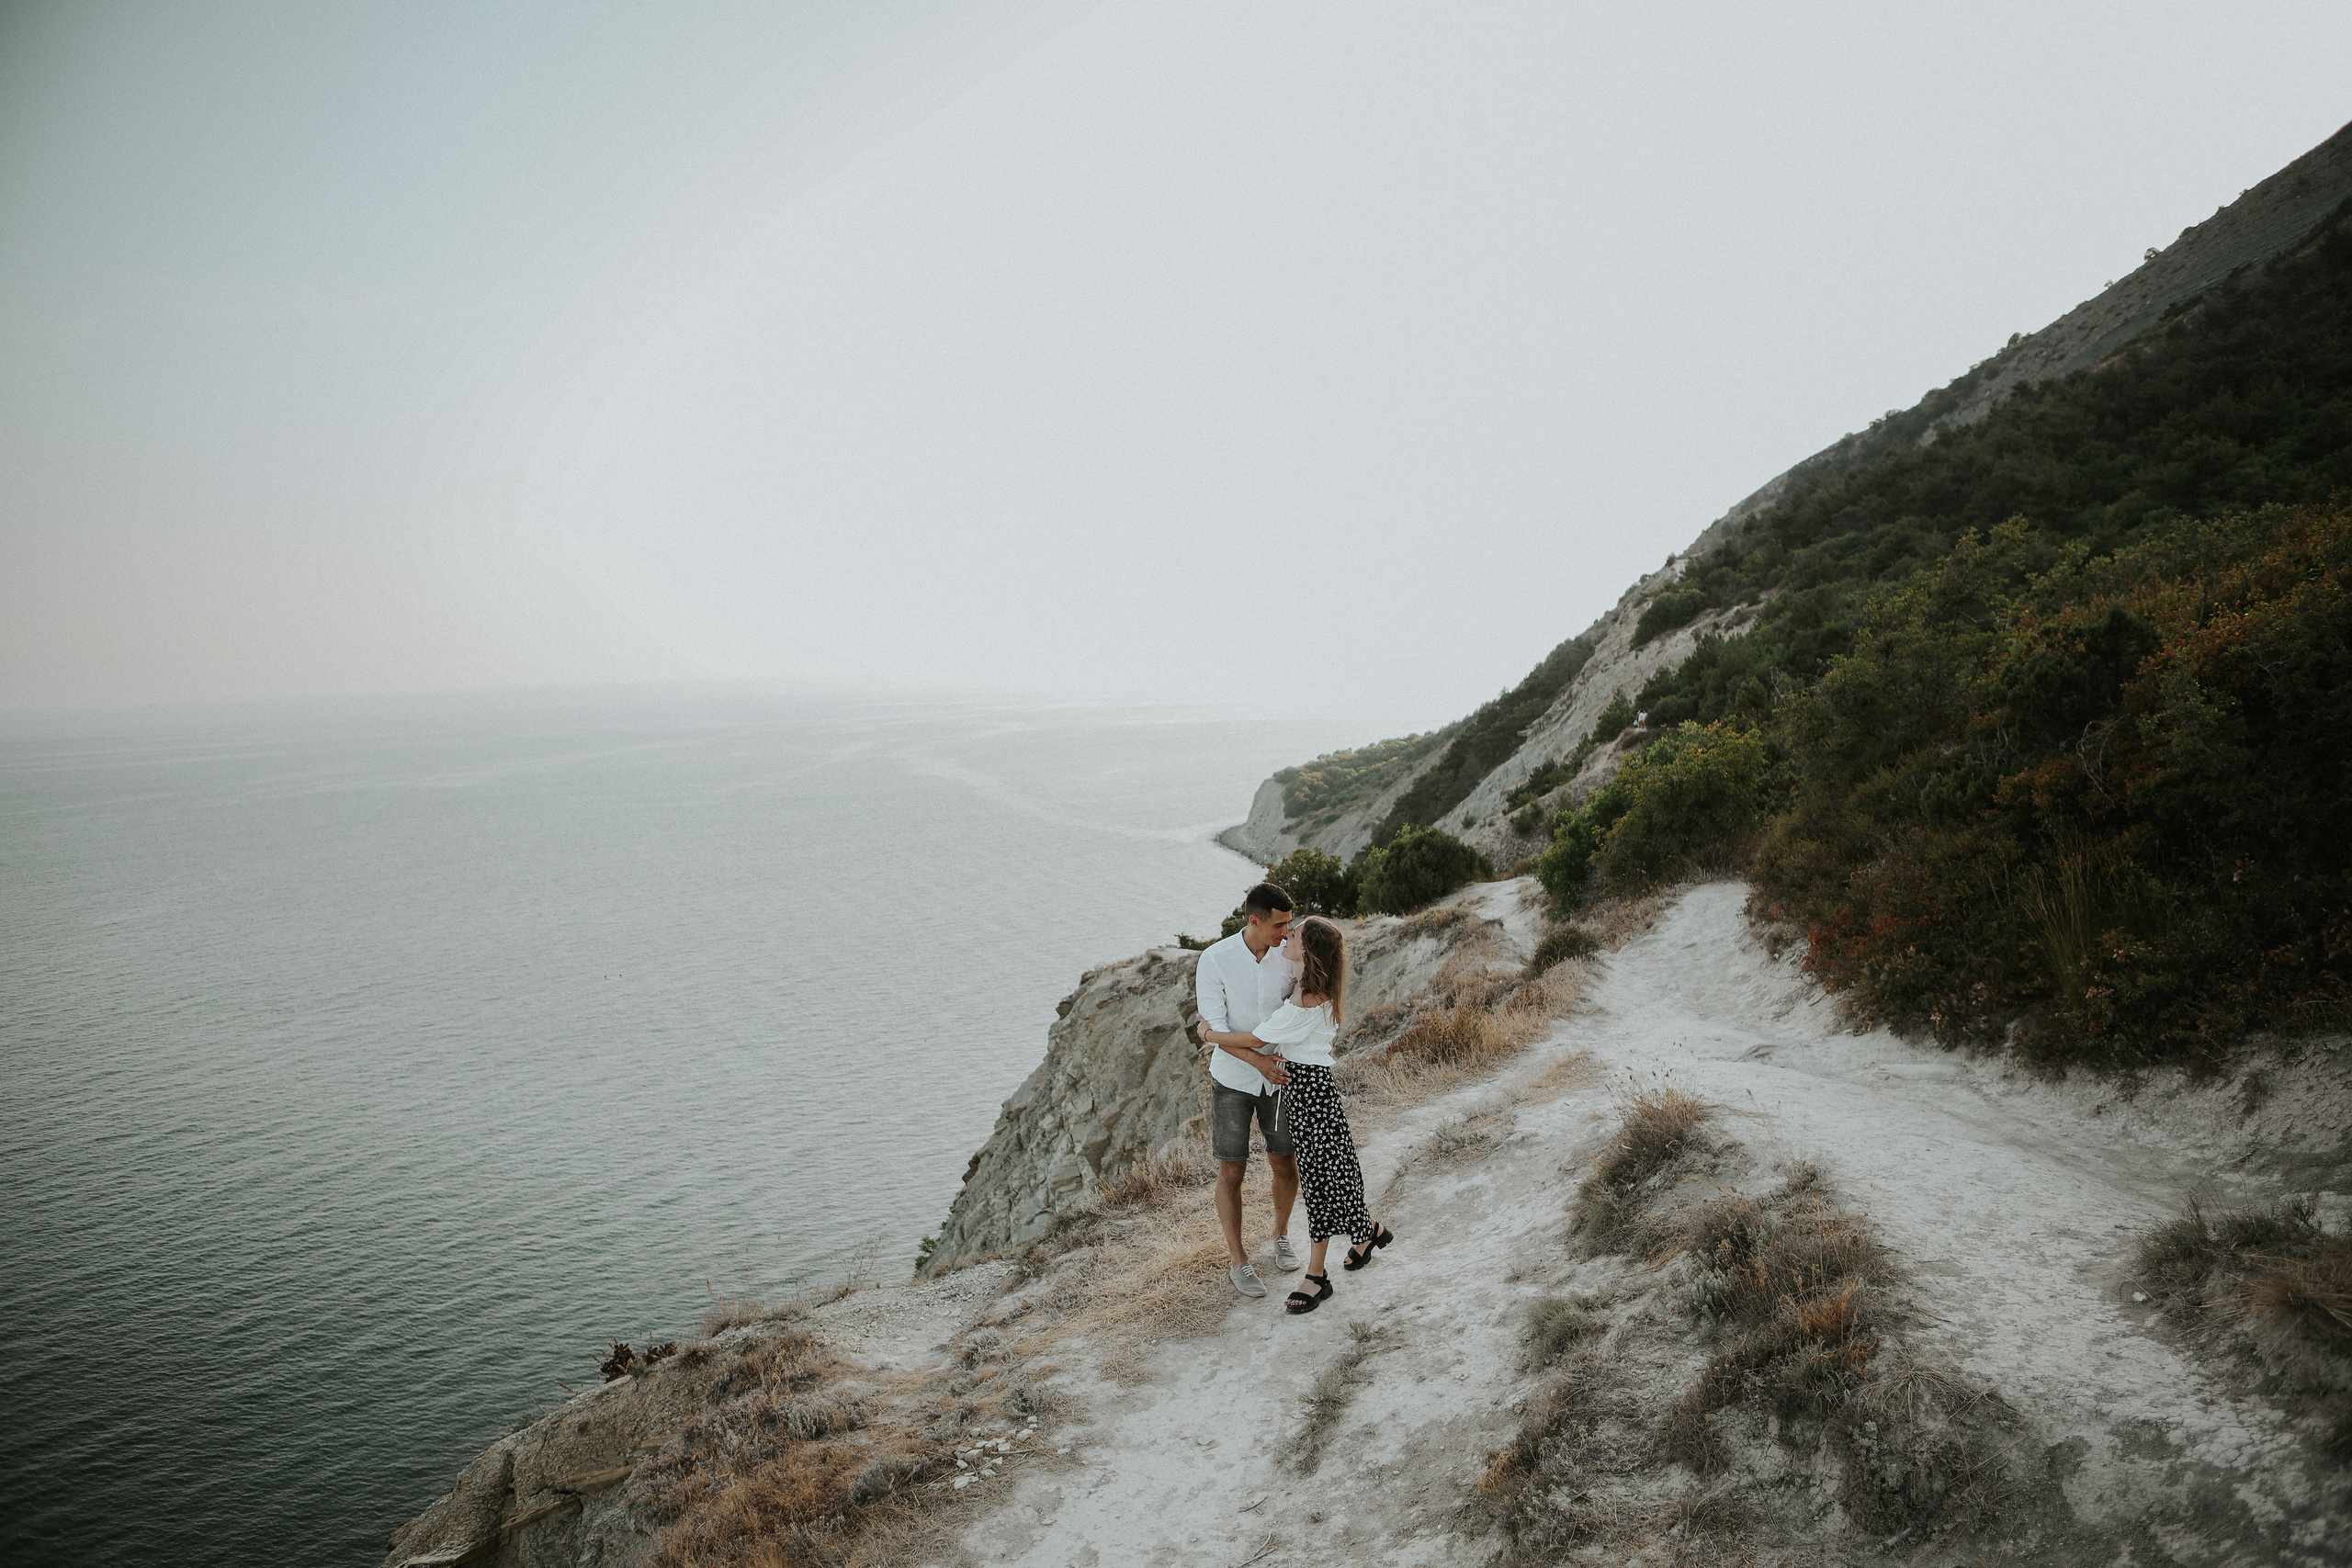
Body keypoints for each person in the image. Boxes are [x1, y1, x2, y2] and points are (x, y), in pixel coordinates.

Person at [1215, 915, 1393, 1314]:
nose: (1286, 938)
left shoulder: (1306, 1000)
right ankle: (1366, 1233)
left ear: (1306, 950)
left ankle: (1316, 1275)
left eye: (1293, 935)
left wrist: (1209, 1034)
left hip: (1311, 1097)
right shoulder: (1306, 987)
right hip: (1308, 1092)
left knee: (1319, 1182)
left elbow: (1258, 1038)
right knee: (1334, 1173)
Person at [1193, 882, 1303, 1297]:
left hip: (1281, 1077)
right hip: (1234, 1080)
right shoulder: (1214, 959)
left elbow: (1298, 1009)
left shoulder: (1289, 956)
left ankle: (1279, 1235)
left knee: (1284, 1163)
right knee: (1231, 1170)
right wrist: (1257, 1059)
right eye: (1279, 925)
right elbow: (1216, 1028)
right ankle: (1239, 1262)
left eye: (1289, 924)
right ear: (1254, 920)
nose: (1285, 933)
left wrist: (1210, 1035)